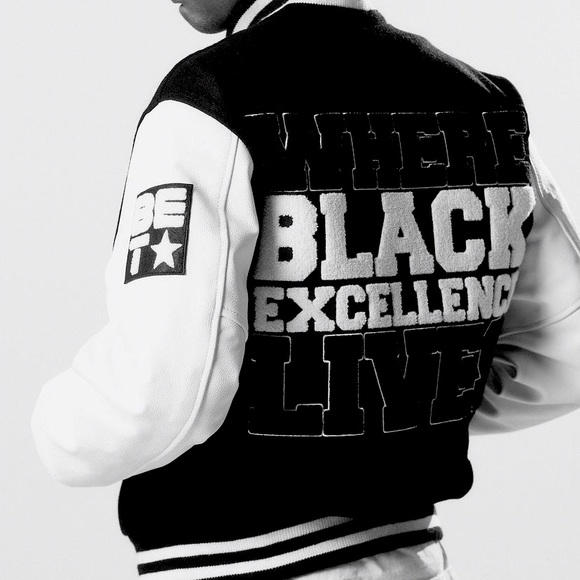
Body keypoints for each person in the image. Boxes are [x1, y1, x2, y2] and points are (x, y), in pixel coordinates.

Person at [31, 1, 580, 579]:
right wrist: (405, 412)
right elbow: (568, 351)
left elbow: (155, 395)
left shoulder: (211, 99)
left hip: (241, 563)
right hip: (414, 558)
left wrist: (52, 430)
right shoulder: (484, 105)